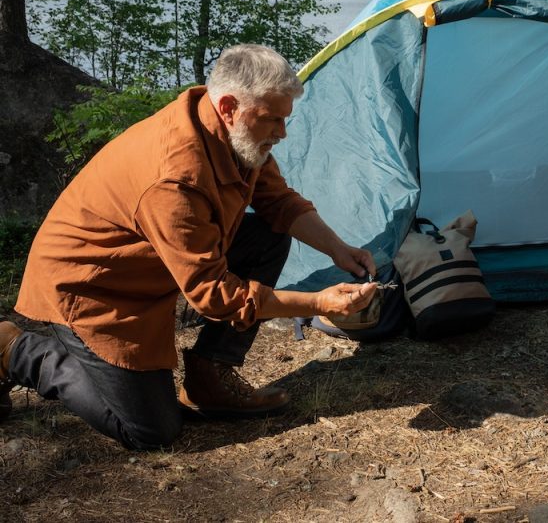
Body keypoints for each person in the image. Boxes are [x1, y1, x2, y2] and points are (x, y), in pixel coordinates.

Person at [0, 44, 378, 450]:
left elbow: (278, 202)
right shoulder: (175, 177)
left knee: (268, 235)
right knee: (151, 431)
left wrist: (337, 249)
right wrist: (318, 304)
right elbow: (212, 295)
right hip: (93, 287)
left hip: (151, 267)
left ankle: (210, 376)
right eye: (272, 120)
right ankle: (15, 349)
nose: (281, 134)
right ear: (230, 106)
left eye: (285, 120)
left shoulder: (233, 133)